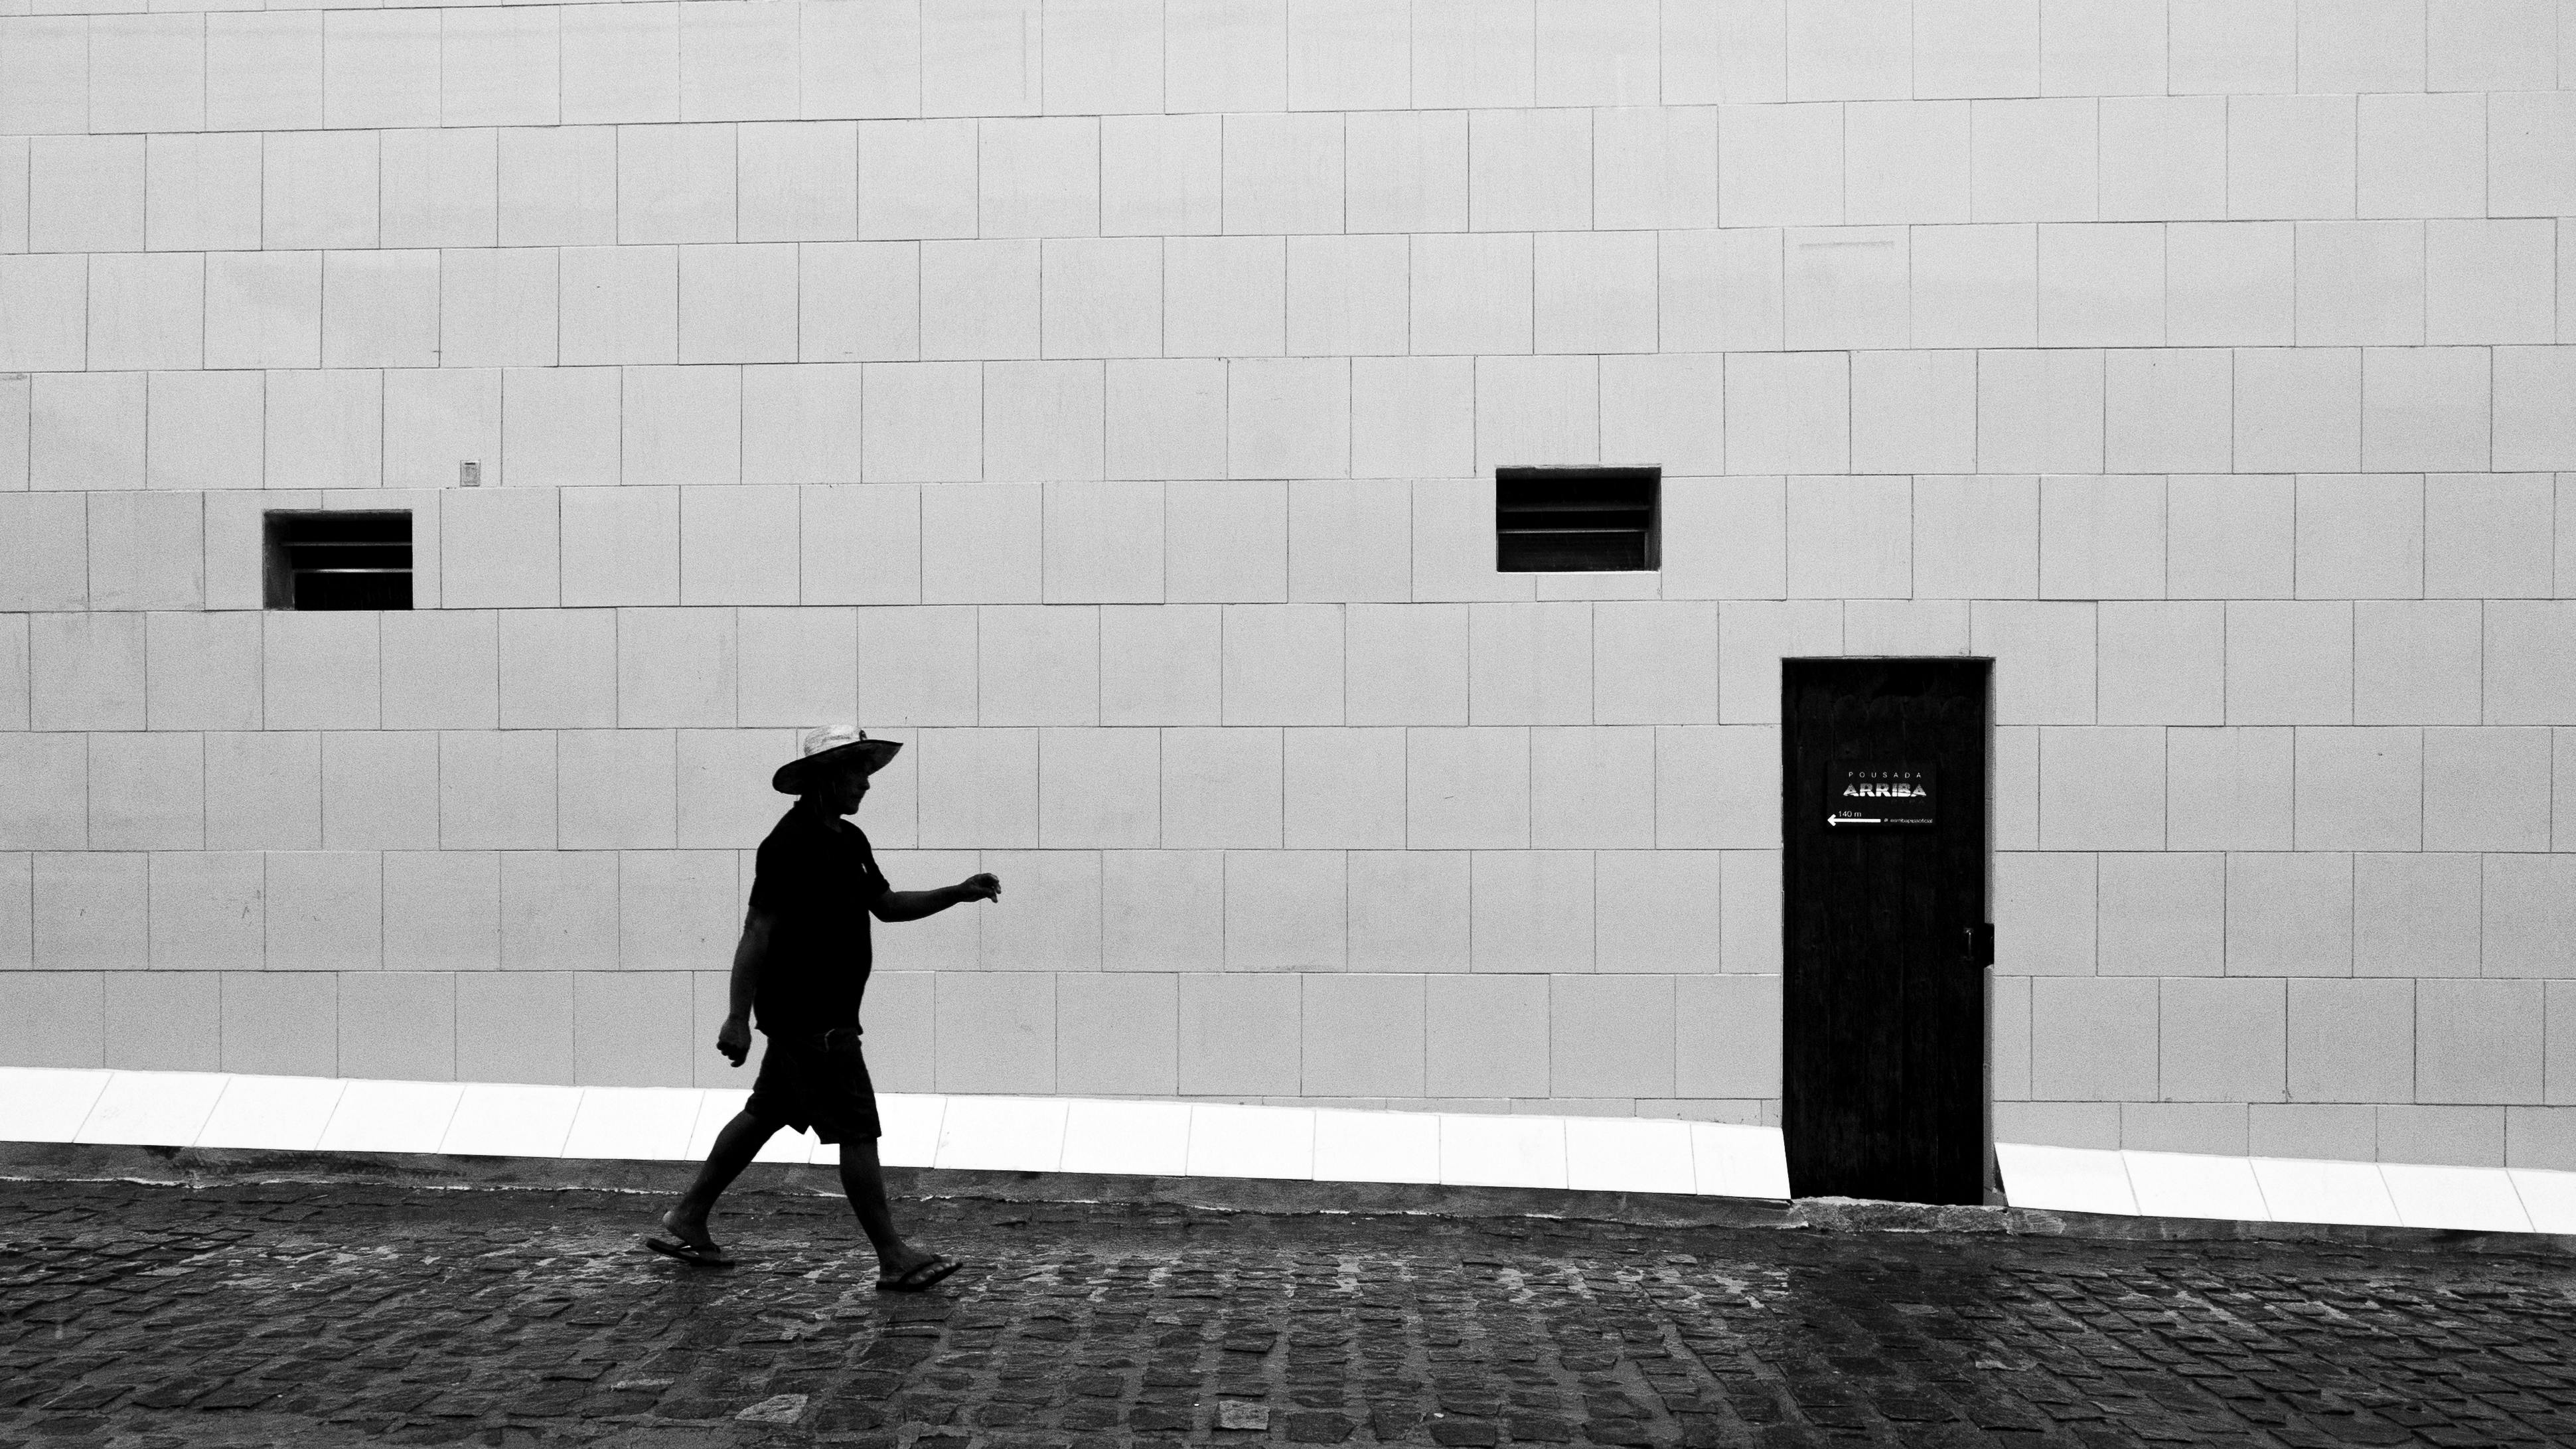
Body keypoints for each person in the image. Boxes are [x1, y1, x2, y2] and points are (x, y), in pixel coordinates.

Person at [646, 725, 1001, 1292]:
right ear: (824, 778)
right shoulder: (787, 845)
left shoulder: (850, 840)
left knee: (765, 1113)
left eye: (866, 770)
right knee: (857, 1128)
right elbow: (757, 929)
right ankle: (892, 1255)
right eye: (857, 771)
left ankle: (688, 1215)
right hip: (812, 1019)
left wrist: (956, 892)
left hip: (819, 1015)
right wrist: (736, 1016)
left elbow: (884, 905)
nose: (866, 782)